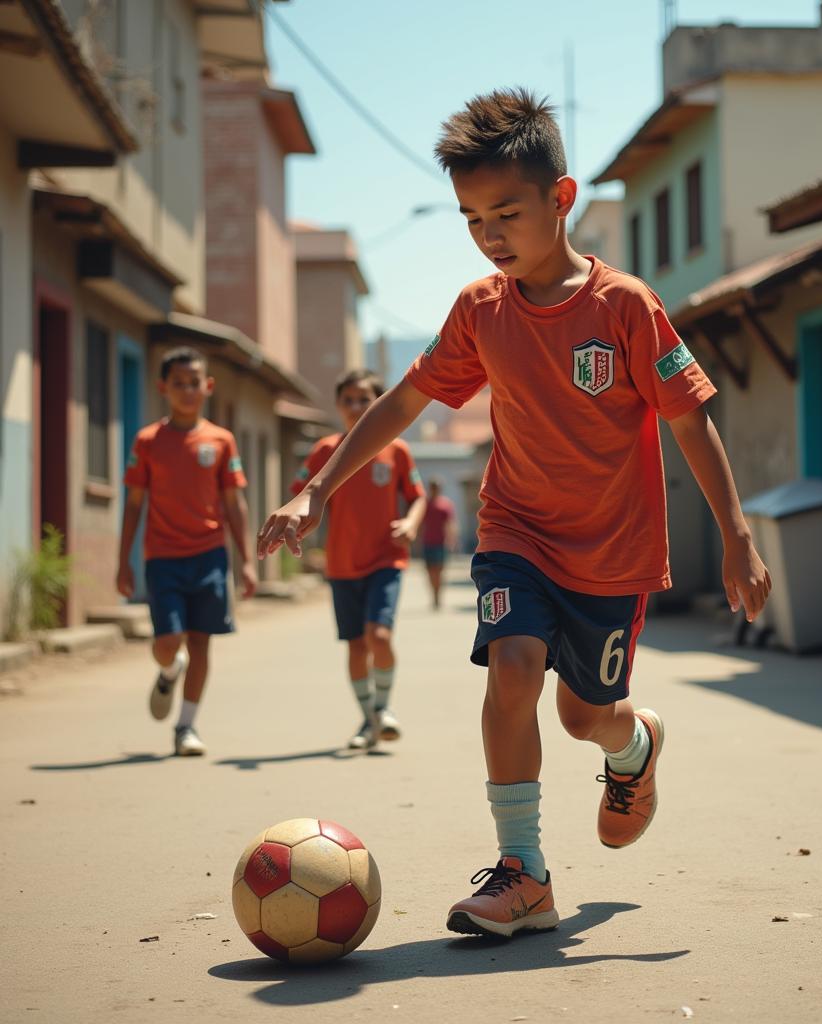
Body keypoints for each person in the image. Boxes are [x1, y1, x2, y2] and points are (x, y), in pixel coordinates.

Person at [257, 88, 771, 937]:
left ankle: (632, 745)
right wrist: (318, 486)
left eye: (506, 213)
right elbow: (398, 404)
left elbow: (690, 420)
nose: (489, 235)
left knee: (583, 716)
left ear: (560, 200)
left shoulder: (626, 306)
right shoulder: (478, 310)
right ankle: (524, 872)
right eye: (471, 219)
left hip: (611, 553)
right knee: (512, 670)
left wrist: (738, 539)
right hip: (516, 533)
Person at [117, 346, 256, 757]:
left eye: (194, 382)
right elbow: (134, 503)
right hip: (162, 557)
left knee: (200, 643)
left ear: (207, 386)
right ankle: (167, 669)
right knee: (168, 640)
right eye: (178, 383)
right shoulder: (147, 441)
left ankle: (186, 726)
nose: (187, 389)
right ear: (163, 388)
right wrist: (123, 559)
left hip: (210, 557)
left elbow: (234, 504)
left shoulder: (221, 440)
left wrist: (246, 561)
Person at [291, 369, 427, 750]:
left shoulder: (397, 450)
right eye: (347, 399)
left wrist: (411, 522)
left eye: (364, 398)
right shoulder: (324, 451)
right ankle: (368, 719)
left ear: (380, 403)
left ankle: (383, 710)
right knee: (356, 646)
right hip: (342, 563)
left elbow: (417, 496)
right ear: (338, 405)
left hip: (386, 557)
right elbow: (301, 494)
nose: (355, 406)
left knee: (379, 635)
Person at [422, 479, 457, 609]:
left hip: (441, 543)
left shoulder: (445, 504)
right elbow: (420, 524)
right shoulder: (425, 504)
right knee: (430, 571)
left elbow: (450, 523)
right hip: (427, 542)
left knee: (439, 571)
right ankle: (433, 595)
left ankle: (438, 597)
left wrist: (452, 539)